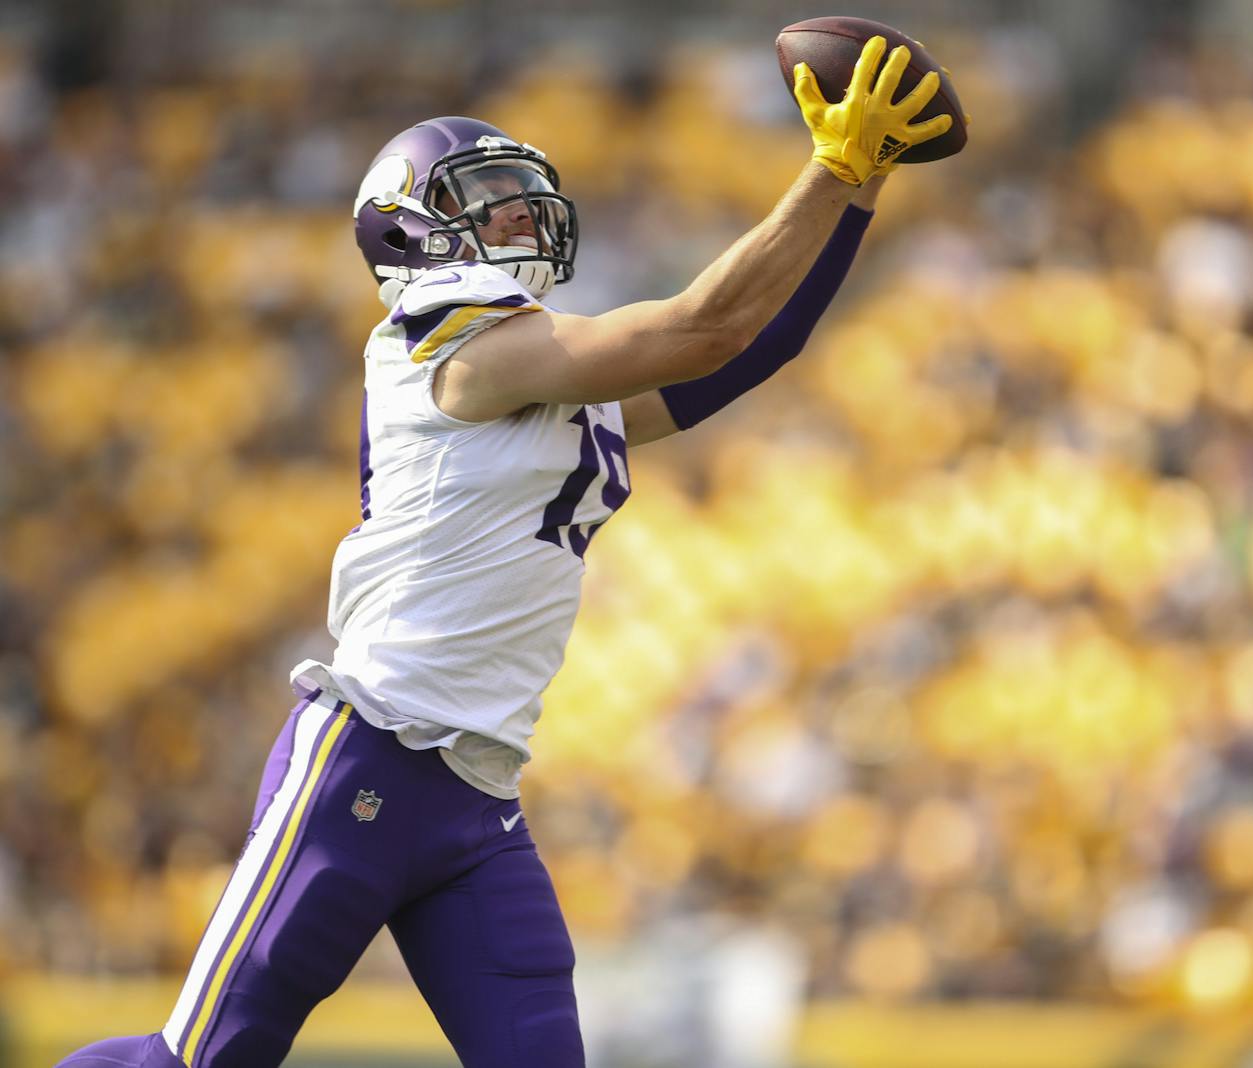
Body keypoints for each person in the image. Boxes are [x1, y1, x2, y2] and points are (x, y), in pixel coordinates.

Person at [57, 35, 953, 1068]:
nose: (520, 212)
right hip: (370, 756)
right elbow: (703, 328)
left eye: (523, 193)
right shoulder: (452, 345)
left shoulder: (538, 378)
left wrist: (862, 191)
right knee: (202, 1060)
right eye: (487, 194)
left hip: (476, 800)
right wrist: (827, 172)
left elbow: (756, 345)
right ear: (412, 229)